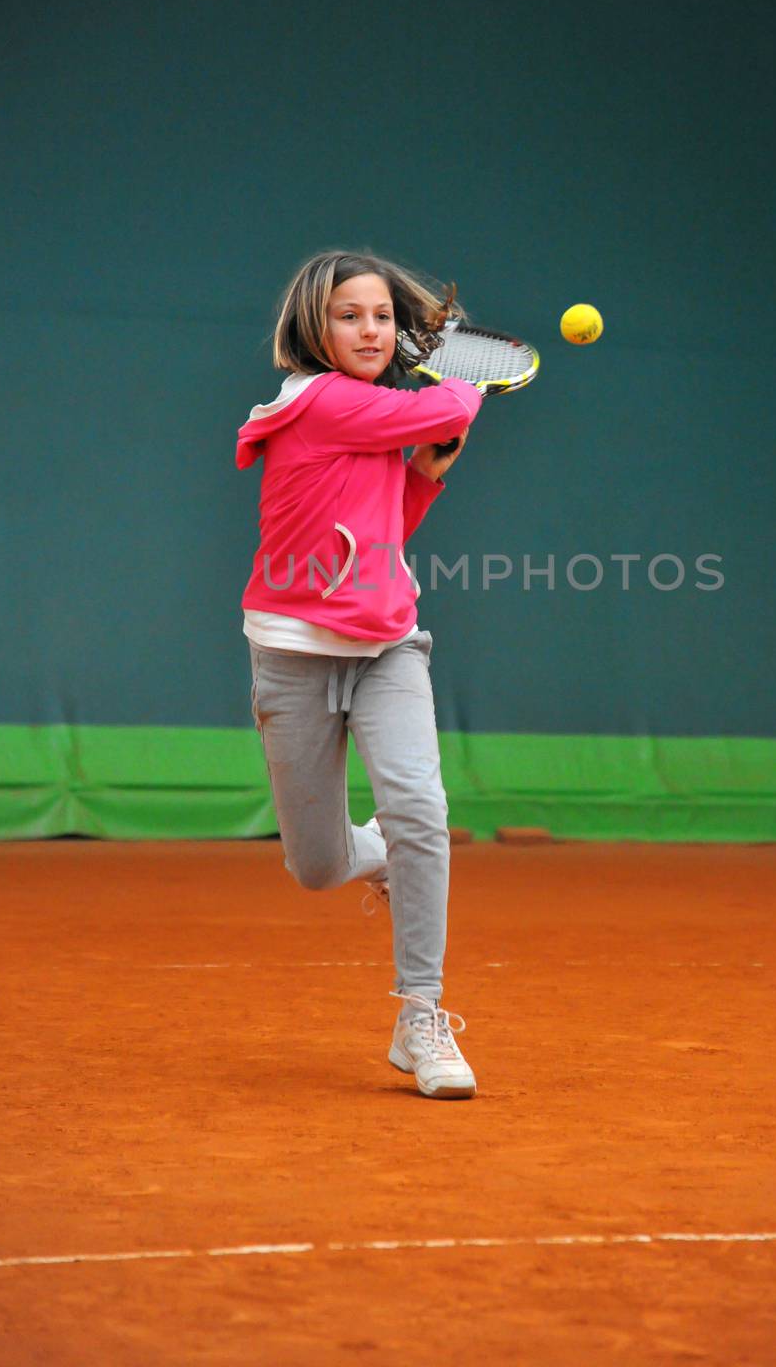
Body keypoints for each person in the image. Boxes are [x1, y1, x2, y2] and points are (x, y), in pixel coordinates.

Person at [236, 250, 482, 1099]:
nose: (370, 330)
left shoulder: (371, 417)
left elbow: (387, 529)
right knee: (313, 866)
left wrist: (423, 478)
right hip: (294, 655)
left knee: (422, 807)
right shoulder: (326, 401)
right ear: (315, 327)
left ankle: (422, 1017)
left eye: (382, 316)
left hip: (387, 646)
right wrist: (461, 372)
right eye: (350, 315)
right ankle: (376, 850)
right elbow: (447, 402)